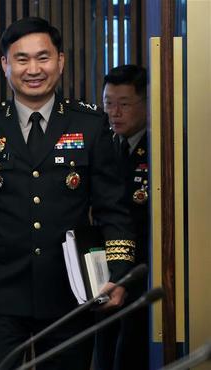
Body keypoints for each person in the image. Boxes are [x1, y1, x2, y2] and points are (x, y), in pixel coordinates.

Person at [0, 17, 136, 370]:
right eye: (21, 59)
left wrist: (118, 273)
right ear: (5, 64)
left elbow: (113, 209)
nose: (33, 69)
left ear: (60, 61)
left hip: (71, 292)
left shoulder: (90, 125)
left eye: (43, 58)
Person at [95, 65, 150, 370]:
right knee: (104, 355)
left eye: (124, 104)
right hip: (104, 272)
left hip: (142, 273)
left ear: (145, 103)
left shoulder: (159, 150)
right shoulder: (102, 145)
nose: (114, 113)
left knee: (129, 358)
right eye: (108, 104)